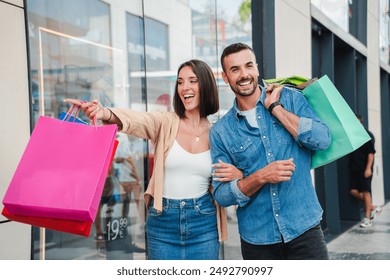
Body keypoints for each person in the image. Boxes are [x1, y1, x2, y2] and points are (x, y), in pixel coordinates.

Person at [65, 59, 242, 260]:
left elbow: (235, 171)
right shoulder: (165, 122)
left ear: (206, 86)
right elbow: (136, 120)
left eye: (193, 81)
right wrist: (105, 112)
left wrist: (239, 174)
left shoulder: (217, 133)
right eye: (180, 82)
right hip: (163, 222)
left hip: (203, 222)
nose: (185, 88)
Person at [209, 42, 331, 260]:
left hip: (304, 229)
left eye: (248, 66)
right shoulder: (221, 131)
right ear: (225, 77)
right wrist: (260, 176)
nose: (244, 74)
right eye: (235, 69)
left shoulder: (290, 99)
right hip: (258, 240)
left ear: (256, 68)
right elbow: (222, 195)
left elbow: (323, 140)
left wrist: (276, 109)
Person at [348, 114, 381, 228]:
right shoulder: (353, 135)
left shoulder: (367, 135)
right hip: (355, 169)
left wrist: (368, 168)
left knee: (366, 192)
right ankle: (373, 207)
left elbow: (371, 154)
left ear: (361, 123)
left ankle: (368, 219)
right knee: (353, 191)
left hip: (364, 170)